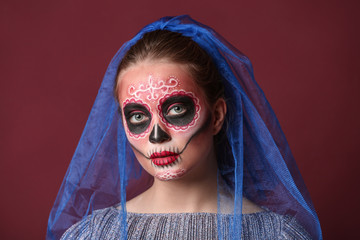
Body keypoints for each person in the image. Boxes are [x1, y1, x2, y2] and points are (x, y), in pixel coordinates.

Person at [47, 15, 322, 240]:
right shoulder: (91, 236)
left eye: (176, 109)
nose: (157, 136)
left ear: (216, 116)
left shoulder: (278, 236)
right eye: (138, 117)